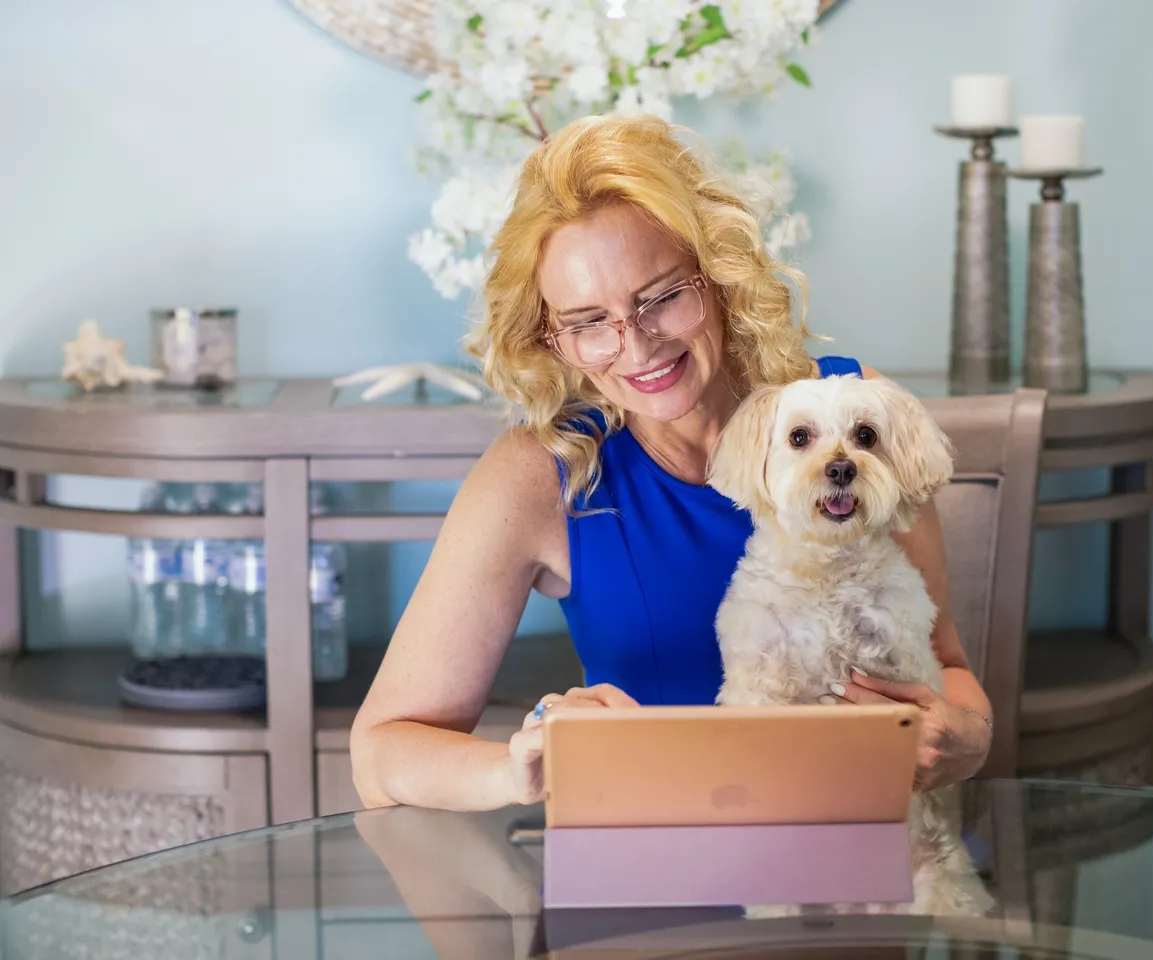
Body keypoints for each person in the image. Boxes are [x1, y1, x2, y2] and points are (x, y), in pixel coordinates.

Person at [350, 113, 993, 812]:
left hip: (848, 868)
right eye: (588, 321)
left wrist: (967, 736)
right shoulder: (541, 473)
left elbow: (950, 668)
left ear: (715, 274)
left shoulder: (852, 421)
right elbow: (382, 750)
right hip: (647, 872)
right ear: (552, 340)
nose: (638, 346)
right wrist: (518, 769)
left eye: (660, 296)